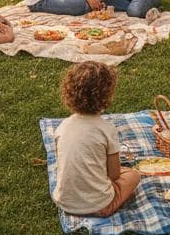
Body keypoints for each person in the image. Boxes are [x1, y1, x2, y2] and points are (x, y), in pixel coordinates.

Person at [52, 62, 141, 218]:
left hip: (64, 202)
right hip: (100, 206)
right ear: (107, 96)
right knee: (133, 175)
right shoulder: (106, 129)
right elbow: (113, 175)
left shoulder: (62, 126)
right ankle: (102, 200)